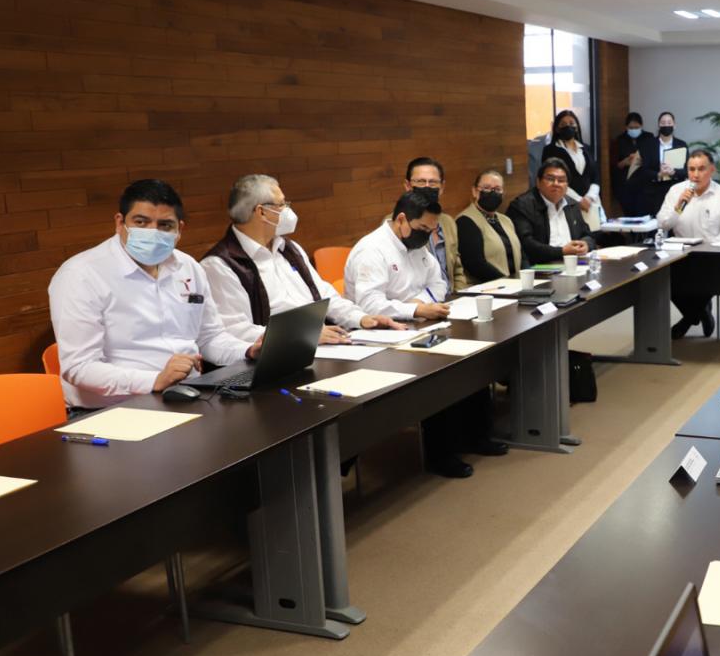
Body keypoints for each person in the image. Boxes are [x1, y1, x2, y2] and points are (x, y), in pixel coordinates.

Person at [48, 179, 261, 410]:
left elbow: (209, 337)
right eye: (141, 222)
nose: (152, 232)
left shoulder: (188, 267)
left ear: (180, 229)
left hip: (187, 395)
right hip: (113, 409)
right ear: (120, 223)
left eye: (165, 225)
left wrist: (247, 350)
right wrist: (155, 380)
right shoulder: (81, 275)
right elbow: (79, 367)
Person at [346, 190, 506, 478]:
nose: (427, 236)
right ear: (401, 220)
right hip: (380, 334)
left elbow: (439, 283)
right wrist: (416, 309)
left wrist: (420, 305)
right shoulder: (372, 250)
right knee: (440, 372)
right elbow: (368, 304)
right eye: (423, 228)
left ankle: (477, 436)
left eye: (432, 230)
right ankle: (441, 454)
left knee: (473, 356)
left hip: (420, 324)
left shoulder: (416, 243)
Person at [201, 174, 404, 344]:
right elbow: (235, 330)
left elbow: (325, 295)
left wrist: (362, 318)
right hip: (274, 355)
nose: (288, 211)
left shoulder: (290, 249)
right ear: (261, 212)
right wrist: (303, 334)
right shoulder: (220, 265)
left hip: (320, 344)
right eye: (282, 204)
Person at [657, 149, 720, 339]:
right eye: (691, 169)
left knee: (706, 276)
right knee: (663, 279)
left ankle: (688, 320)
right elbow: (662, 224)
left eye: (701, 169)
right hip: (681, 255)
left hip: (713, 256)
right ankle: (702, 312)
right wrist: (678, 206)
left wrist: (706, 249)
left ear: (712, 170)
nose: (695, 174)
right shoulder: (676, 191)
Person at [506, 159, 597, 265]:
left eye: (561, 180)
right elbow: (526, 244)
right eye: (550, 179)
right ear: (538, 182)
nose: (556, 184)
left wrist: (586, 244)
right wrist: (562, 252)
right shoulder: (522, 205)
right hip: (540, 267)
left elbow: (587, 234)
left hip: (573, 264)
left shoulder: (572, 205)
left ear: (567, 185)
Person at [404, 156, 465, 291]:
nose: (427, 186)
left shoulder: (448, 222)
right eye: (420, 182)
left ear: (441, 187)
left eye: (432, 182)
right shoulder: (398, 223)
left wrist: (460, 295)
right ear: (408, 186)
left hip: (452, 298)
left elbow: (457, 270)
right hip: (419, 301)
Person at [455, 169, 522, 287]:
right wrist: (507, 282)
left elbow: (519, 253)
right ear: (475, 191)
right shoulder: (465, 221)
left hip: (513, 285)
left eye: (497, 189)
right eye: (486, 188)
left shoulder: (506, 220)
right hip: (486, 289)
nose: (492, 193)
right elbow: (475, 264)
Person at [540, 110, 601, 224]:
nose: (568, 126)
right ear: (557, 129)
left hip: (591, 204)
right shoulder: (550, 150)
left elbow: (595, 177)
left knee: (593, 232)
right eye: (563, 124)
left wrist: (589, 198)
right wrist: (578, 200)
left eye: (572, 123)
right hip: (565, 203)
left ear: (577, 127)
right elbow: (553, 179)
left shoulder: (586, 148)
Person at [613, 111, 655, 215]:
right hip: (626, 185)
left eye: (636, 127)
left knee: (644, 215)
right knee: (629, 215)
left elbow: (654, 160)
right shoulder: (620, 140)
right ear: (626, 127)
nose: (634, 130)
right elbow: (615, 165)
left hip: (644, 184)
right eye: (631, 128)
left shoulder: (649, 138)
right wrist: (625, 161)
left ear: (641, 126)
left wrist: (641, 161)